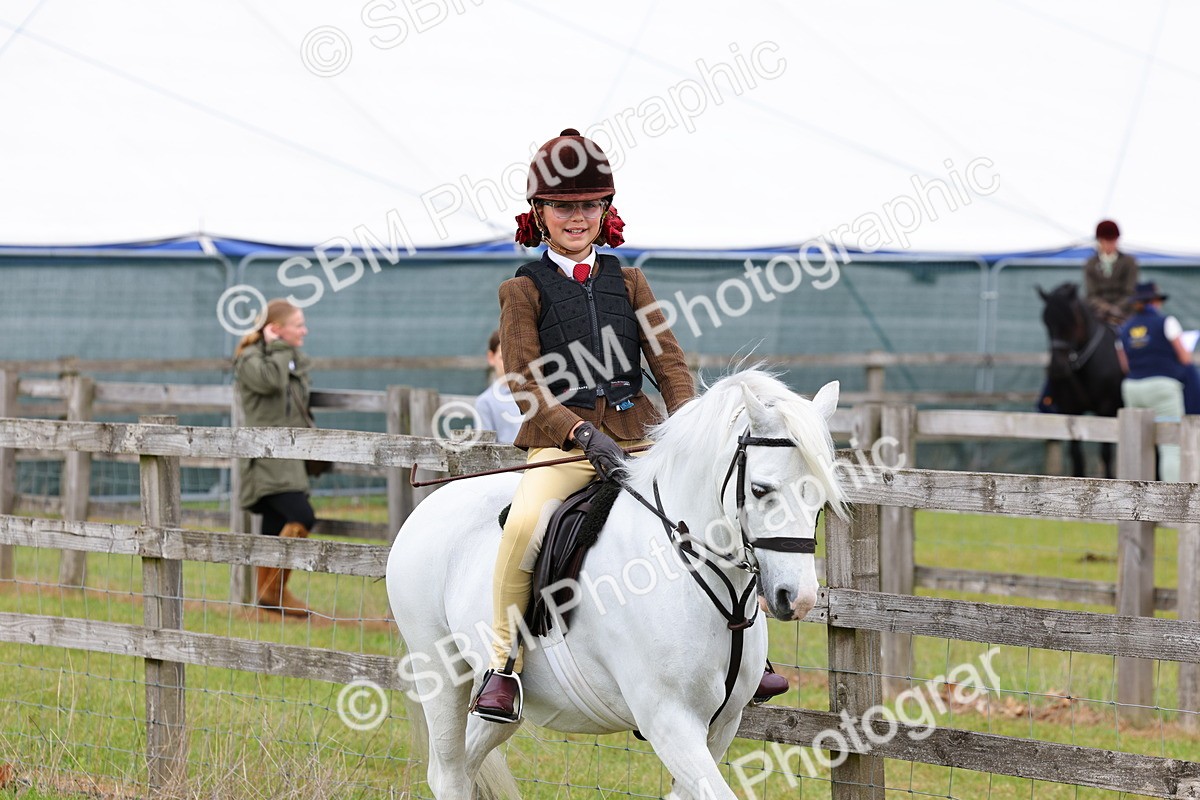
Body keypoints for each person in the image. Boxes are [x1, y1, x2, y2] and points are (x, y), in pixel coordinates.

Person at [470, 128, 789, 723]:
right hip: (563, 443)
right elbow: (523, 382)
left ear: (605, 211)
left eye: (589, 205)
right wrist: (579, 434)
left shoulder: (630, 280)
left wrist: (689, 424)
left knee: (722, 506)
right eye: (564, 206)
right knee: (524, 527)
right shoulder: (522, 289)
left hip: (640, 434)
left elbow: (667, 361)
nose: (577, 217)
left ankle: (751, 654)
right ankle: (503, 666)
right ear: (539, 213)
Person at [234, 298, 320, 618]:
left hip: (291, 455)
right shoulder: (249, 359)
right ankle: (273, 592)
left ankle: (269, 599)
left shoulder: (291, 358)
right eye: (298, 325)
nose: (305, 331)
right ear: (276, 328)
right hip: (265, 458)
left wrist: (286, 352)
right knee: (301, 515)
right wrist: (281, 350)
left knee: (275, 525)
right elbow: (270, 382)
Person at [1116, 281, 1200, 482]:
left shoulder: (1124, 328)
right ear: (1154, 302)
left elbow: (1124, 365)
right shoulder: (1167, 322)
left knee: (1136, 445)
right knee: (1170, 446)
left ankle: (1131, 503)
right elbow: (1185, 357)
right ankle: (1170, 503)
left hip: (1132, 387)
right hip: (1162, 388)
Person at [1083, 219, 1139, 327]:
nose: (1109, 245)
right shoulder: (1090, 264)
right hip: (1099, 313)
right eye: (1106, 241)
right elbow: (1091, 294)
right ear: (1099, 241)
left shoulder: (1129, 262)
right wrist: (1107, 309)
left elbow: (1130, 291)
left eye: (1112, 241)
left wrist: (1116, 309)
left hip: (1124, 312)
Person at [474, 330, 522, 445]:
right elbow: (484, 449)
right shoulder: (485, 402)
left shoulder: (537, 393)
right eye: (503, 358)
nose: (510, 364)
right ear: (491, 357)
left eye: (514, 357)